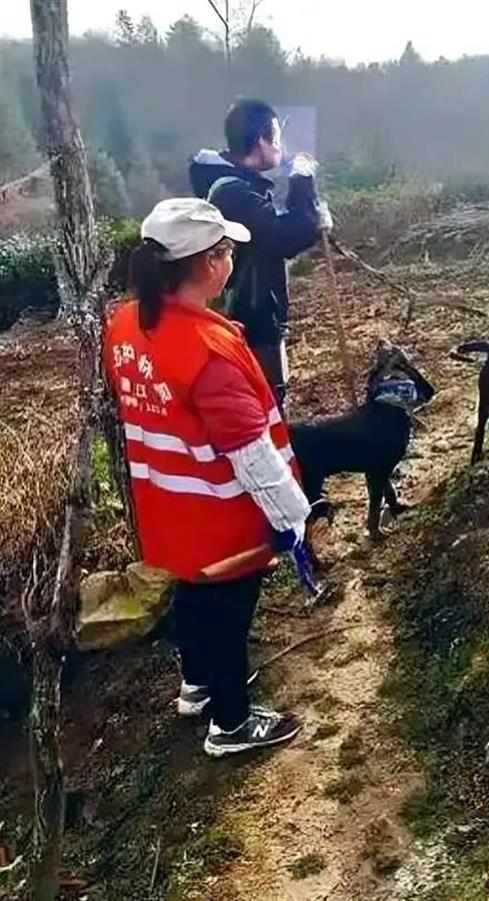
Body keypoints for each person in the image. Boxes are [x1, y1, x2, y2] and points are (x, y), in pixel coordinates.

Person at [105, 197, 311, 757]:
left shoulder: (125, 325)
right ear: (207, 265)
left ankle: (197, 687)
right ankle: (232, 724)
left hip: (167, 507)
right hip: (221, 516)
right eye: (226, 251)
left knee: (192, 598)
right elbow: (251, 454)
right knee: (228, 617)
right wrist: (294, 519)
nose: (231, 261)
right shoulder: (208, 350)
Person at [188, 98, 329, 405]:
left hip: (248, 313)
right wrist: (303, 182)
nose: (280, 147)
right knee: (269, 406)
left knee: (268, 401)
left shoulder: (231, 186)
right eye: (276, 137)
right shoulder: (232, 192)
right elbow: (285, 236)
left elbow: (270, 226)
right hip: (254, 319)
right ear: (262, 142)